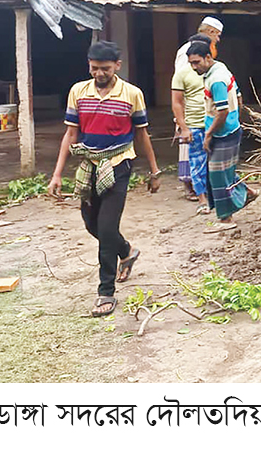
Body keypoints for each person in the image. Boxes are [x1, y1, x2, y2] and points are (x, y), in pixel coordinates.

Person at [48, 41, 161, 317]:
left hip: (119, 165)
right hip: (88, 166)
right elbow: (71, 135)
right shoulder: (78, 91)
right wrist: (57, 173)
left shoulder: (132, 94)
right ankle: (127, 251)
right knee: (91, 225)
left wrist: (154, 171)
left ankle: (105, 292)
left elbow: (142, 135)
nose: (99, 73)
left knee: (107, 229)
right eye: (94, 68)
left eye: (105, 69)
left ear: (117, 67)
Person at [186, 41, 255, 230]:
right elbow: (238, 96)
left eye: (196, 62)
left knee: (218, 175)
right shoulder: (220, 69)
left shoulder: (216, 79)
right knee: (223, 170)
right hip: (229, 128)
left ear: (208, 57)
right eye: (191, 63)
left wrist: (209, 134)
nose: (194, 67)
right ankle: (246, 192)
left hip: (223, 132)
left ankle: (226, 219)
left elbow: (222, 111)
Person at [172, 33, 212, 210]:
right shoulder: (182, 74)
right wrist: (183, 126)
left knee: (215, 162)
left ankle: (215, 195)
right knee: (196, 162)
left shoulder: (216, 71)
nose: (194, 65)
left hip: (213, 122)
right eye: (192, 61)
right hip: (194, 124)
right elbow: (177, 102)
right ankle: (201, 198)